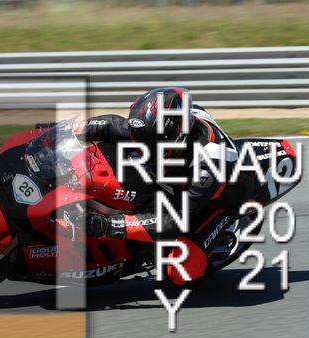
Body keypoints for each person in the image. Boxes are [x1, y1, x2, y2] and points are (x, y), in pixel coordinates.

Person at [41, 87, 254, 284]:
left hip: (215, 200)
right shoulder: (158, 126)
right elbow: (110, 126)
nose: (141, 145)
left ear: (178, 138)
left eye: (151, 143)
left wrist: (108, 225)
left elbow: (171, 222)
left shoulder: (207, 166)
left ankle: (211, 243)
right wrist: (56, 132)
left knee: (181, 272)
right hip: (177, 177)